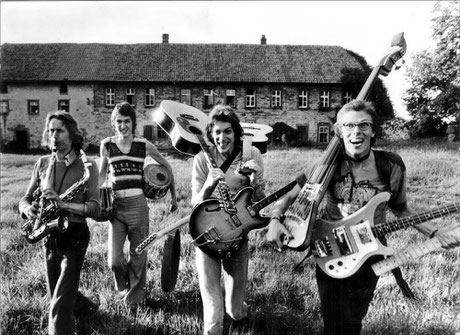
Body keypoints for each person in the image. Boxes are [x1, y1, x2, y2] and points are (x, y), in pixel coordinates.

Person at [266, 99, 460, 335]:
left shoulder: (391, 165)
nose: (356, 132)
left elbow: (401, 208)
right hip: (329, 248)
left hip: (371, 252)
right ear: (339, 132)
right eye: (348, 126)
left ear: (373, 130)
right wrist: (275, 220)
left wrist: (435, 233)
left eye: (363, 125)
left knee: (354, 320)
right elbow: (288, 197)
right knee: (333, 323)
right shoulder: (326, 165)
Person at [19, 111, 101, 335]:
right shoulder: (43, 163)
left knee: (59, 303)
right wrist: (28, 209)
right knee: (56, 291)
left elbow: (95, 207)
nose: (54, 135)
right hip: (49, 233)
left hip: (75, 233)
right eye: (51, 130)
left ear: (72, 133)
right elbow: (24, 199)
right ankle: (88, 309)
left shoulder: (88, 166)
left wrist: (64, 206)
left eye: (60, 130)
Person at [191, 105, 266, 335]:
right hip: (208, 235)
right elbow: (195, 203)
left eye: (228, 131)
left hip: (238, 236)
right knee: (213, 314)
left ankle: (241, 311)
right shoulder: (202, 159)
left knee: (235, 311)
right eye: (217, 132)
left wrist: (254, 181)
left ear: (236, 132)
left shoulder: (251, 154)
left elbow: (261, 200)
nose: (222, 137)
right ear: (211, 135)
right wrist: (208, 186)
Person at [99, 101, 178, 307]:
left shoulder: (143, 145)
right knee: (114, 261)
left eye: (127, 121)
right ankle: (125, 289)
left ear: (133, 123)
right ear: (114, 123)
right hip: (116, 209)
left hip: (138, 207)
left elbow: (166, 166)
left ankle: (135, 299)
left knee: (138, 255)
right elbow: (101, 176)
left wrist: (174, 196)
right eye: (119, 122)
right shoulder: (107, 145)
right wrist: (99, 199)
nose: (122, 125)